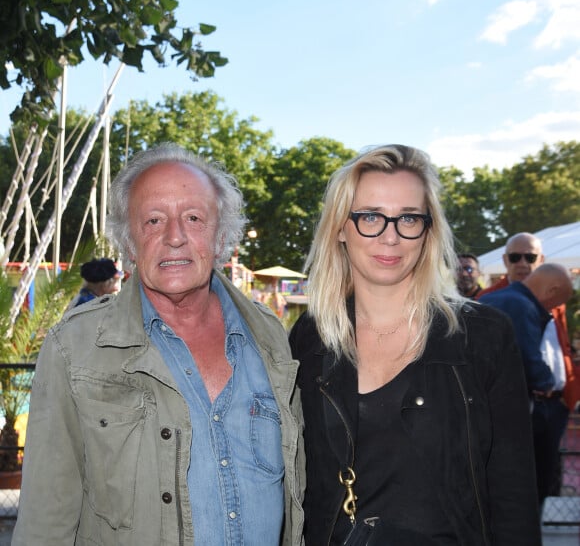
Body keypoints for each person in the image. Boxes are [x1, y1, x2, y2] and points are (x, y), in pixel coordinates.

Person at [13, 143, 305, 546]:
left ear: (221, 239)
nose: (174, 237)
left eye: (193, 218)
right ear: (129, 244)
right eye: (152, 220)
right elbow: (45, 524)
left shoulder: (271, 336)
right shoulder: (74, 348)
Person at [289, 144, 541, 545]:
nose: (390, 236)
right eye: (370, 216)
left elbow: (514, 493)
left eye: (408, 218)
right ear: (340, 227)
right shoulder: (310, 338)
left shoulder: (484, 337)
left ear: (427, 230)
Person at [480, 263, 574, 507]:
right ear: (552, 290)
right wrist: (547, 382)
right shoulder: (519, 306)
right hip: (518, 410)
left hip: (494, 407)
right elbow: (528, 359)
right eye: (555, 304)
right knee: (527, 489)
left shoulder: (499, 298)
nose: (552, 310)